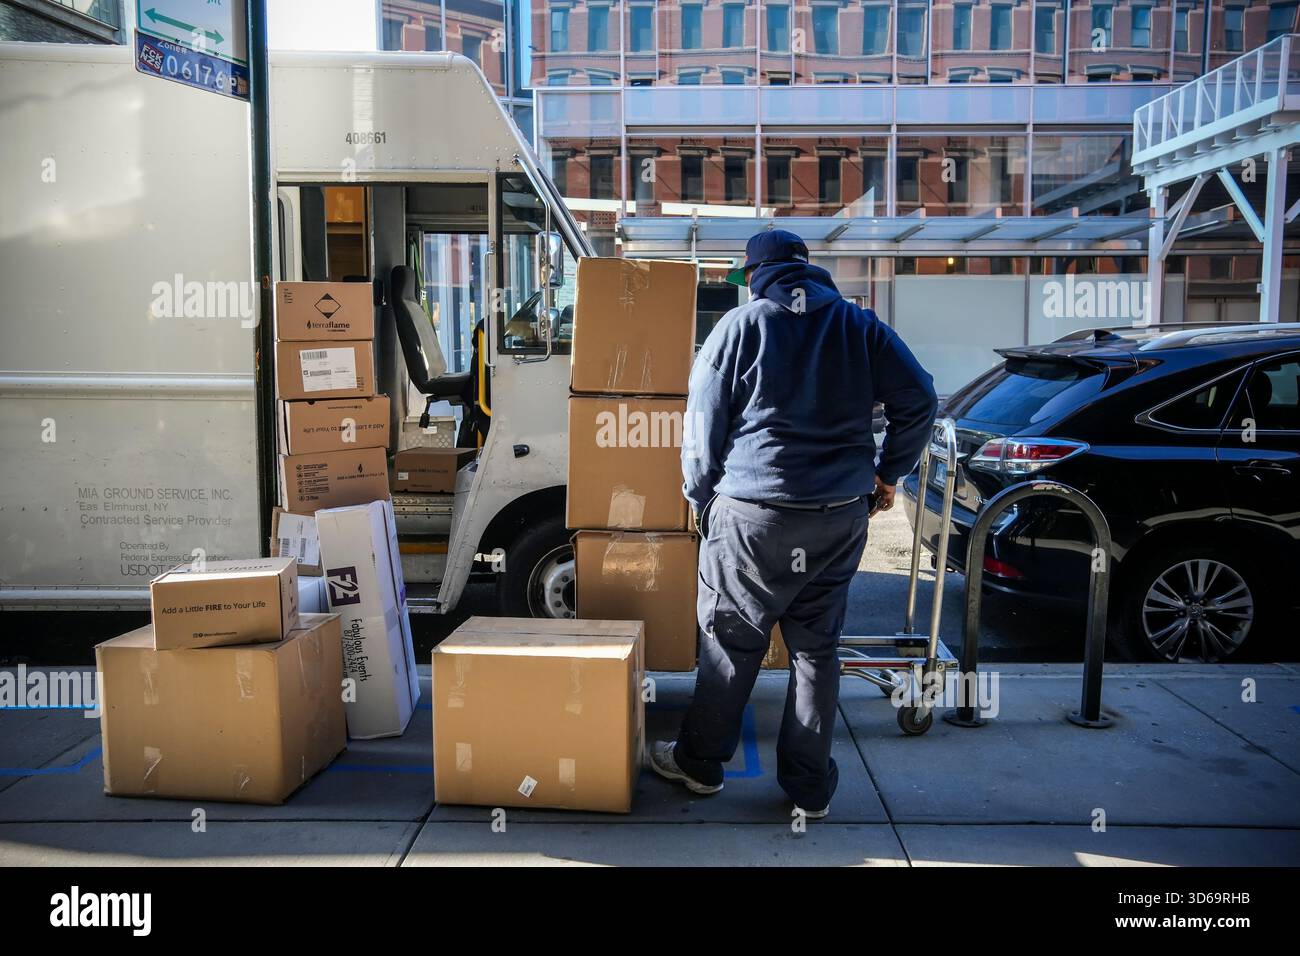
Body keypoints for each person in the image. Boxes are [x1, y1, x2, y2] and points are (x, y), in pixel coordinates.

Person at [650, 229, 938, 818]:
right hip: (838, 516)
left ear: (757, 274)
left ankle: (701, 766)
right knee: (816, 651)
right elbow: (921, 399)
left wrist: (702, 499)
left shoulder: (740, 327)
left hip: (753, 516)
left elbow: (702, 424)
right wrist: (888, 475)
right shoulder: (861, 327)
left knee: (732, 643)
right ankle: (808, 787)